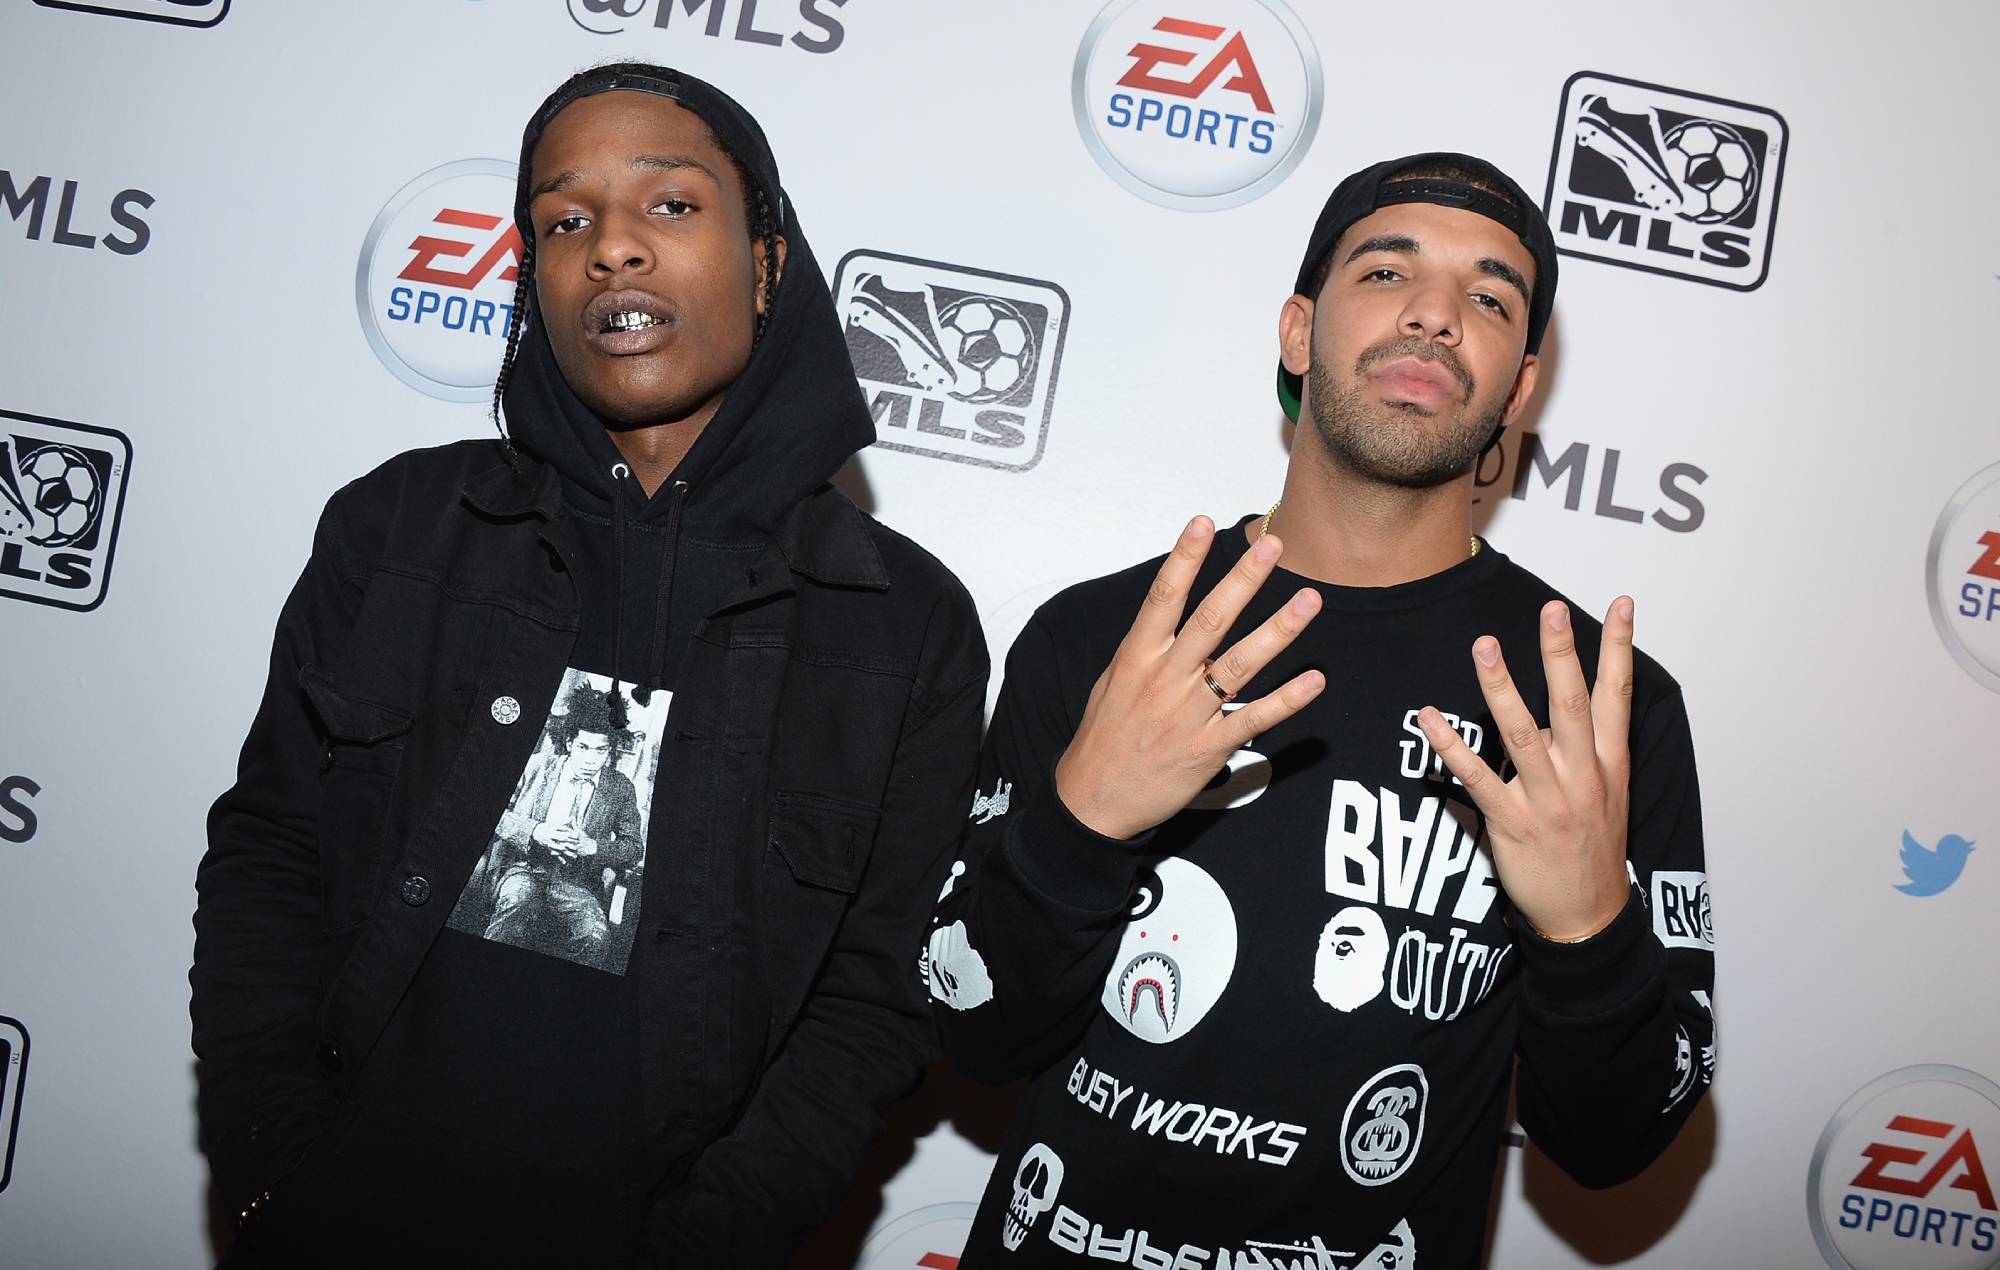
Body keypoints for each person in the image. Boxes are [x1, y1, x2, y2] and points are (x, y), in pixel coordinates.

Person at [192, 62, 985, 1268]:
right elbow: (268, 858)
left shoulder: (900, 625)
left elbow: (874, 998)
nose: (611, 247)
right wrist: (273, 1172)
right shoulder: (395, 532)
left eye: (670, 204)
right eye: (565, 222)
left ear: (766, 262)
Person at [929, 153, 1714, 1269]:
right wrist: (1080, 826)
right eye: (1387, 272)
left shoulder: (1593, 701)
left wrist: (1588, 928)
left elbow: (1612, 1143)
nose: (1434, 315)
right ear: (1298, 333)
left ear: (1520, 387)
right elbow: (971, 1034)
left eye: (1490, 298)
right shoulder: (1104, 636)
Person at [456, 678, 645, 970]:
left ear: (610, 751)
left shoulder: (621, 788)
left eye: (600, 750)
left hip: (577, 882)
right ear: (569, 743)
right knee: (518, 904)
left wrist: (593, 846)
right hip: (521, 868)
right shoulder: (536, 765)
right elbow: (489, 811)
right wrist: (535, 831)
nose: (590, 759)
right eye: (583, 747)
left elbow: (634, 848)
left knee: (596, 936)